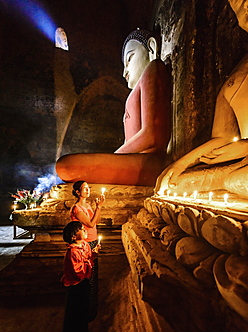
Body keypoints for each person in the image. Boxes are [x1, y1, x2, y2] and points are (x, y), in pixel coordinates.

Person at [155, 0, 248, 198]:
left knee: (238, 180)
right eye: (238, 1)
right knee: (176, 184)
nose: (246, 5)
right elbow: (222, 137)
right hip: (242, 165)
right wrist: (181, 163)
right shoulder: (237, 76)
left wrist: (246, 147)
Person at [56, 28, 171, 186]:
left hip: (151, 163)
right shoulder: (134, 92)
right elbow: (128, 140)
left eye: (129, 59)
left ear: (151, 48)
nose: (125, 72)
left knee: (67, 165)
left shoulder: (154, 68)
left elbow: (153, 135)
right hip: (135, 161)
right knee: (66, 165)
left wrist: (116, 156)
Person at [60, 220, 101, 332]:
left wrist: (93, 255)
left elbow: (88, 259)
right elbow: (78, 272)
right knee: (74, 320)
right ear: (72, 236)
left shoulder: (84, 245)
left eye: (84, 228)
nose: (85, 231)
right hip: (75, 288)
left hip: (83, 285)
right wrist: (90, 262)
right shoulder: (72, 252)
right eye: (82, 229)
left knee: (82, 317)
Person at [70, 180, 105, 322]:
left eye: (88, 188)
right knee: (86, 275)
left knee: (93, 275)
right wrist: (98, 208)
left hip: (93, 241)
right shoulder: (77, 208)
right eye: (84, 188)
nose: (88, 190)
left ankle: (92, 308)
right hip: (84, 243)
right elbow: (90, 223)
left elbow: (97, 221)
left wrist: (98, 208)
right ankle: (84, 310)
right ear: (78, 192)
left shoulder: (88, 205)